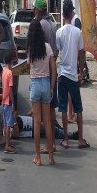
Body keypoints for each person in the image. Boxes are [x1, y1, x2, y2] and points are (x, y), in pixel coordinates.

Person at [56, 0, 89, 149]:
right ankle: (81, 139)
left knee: (63, 108)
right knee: (79, 108)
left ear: (63, 15)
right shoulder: (77, 32)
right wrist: (81, 71)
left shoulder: (59, 32)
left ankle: (65, 139)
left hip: (62, 74)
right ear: (71, 13)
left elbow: (59, 52)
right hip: (73, 75)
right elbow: (82, 53)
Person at [27, 18, 57, 165]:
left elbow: (28, 67)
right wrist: (51, 87)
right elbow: (54, 70)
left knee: (37, 123)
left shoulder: (31, 49)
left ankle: (38, 157)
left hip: (34, 84)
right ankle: (51, 156)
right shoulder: (48, 47)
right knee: (48, 122)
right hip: (46, 83)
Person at [33, 0, 58, 151]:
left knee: (41, 117)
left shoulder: (40, 25)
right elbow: (55, 50)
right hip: (51, 70)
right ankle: (53, 143)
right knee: (51, 110)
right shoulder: (52, 24)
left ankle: (48, 146)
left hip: (42, 74)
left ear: (37, 10)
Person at [0, 53, 16, 153]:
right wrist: (13, 103)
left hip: (3, 100)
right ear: (12, 61)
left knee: (6, 123)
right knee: (8, 124)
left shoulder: (3, 71)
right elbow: (10, 89)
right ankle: (7, 145)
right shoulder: (10, 73)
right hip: (8, 100)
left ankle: (7, 143)